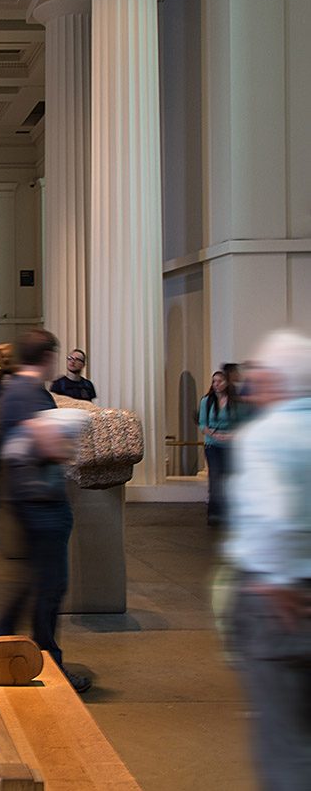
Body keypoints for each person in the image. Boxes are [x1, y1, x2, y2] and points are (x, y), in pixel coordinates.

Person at [224, 330, 311, 789]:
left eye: (258, 372)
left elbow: (273, 514)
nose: (250, 381)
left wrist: (280, 579)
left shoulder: (265, 436)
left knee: (283, 742)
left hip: (281, 602)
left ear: (277, 381)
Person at [0, 329, 91, 694]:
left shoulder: (13, 390)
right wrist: (66, 443)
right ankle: (49, 662)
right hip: (41, 502)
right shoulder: (29, 393)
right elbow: (47, 444)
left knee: (33, 581)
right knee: (50, 585)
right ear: (47, 356)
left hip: (27, 498)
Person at [198, 368, 241, 527]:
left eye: (219, 381)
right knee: (215, 477)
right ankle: (214, 513)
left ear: (226, 383)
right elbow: (203, 424)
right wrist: (214, 435)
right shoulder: (206, 401)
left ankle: (229, 512)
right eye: (214, 382)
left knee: (229, 478)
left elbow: (240, 423)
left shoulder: (234, 402)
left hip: (230, 444)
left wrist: (231, 435)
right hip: (213, 444)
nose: (216, 384)